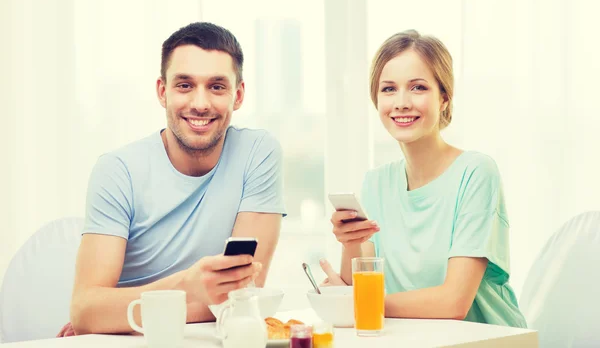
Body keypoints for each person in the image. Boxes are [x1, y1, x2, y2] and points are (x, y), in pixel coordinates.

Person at [62, 22, 285, 336]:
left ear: (238, 95)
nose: (200, 103)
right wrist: (189, 288)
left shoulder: (258, 153)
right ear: (162, 91)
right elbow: (86, 311)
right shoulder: (117, 170)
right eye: (184, 85)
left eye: (217, 86)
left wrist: (116, 313)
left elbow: (243, 296)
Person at [319, 30, 527, 328]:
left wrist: (356, 301)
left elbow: (453, 302)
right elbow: (356, 289)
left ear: (444, 98)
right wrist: (350, 243)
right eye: (388, 89)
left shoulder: (476, 172)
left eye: (417, 87)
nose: (401, 102)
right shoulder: (376, 183)